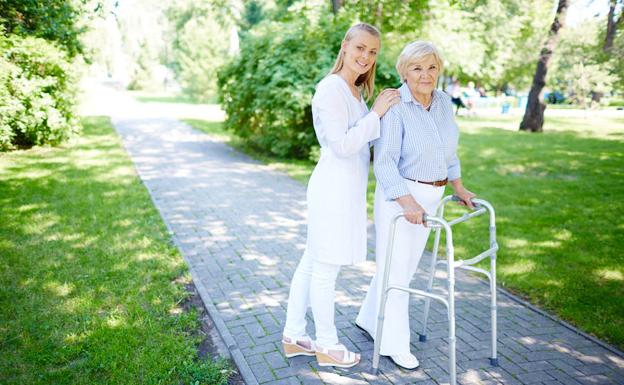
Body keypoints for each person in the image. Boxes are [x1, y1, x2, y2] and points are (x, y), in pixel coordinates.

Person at [282, 23, 400, 368]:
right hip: (332, 190)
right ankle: (327, 345)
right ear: (346, 46)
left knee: (311, 262)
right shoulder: (331, 88)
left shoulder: (355, 91)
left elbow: (364, 143)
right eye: (360, 48)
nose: (365, 56)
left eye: (373, 51)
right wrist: (377, 113)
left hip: (344, 191)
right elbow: (343, 145)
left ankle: (293, 334)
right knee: (325, 268)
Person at [356, 41, 475, 370]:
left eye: (432, 67)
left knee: (402, 268)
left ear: (439, 70)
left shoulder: (443, 103)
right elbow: (384, 162)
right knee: (398, 272)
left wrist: (459, 187)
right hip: (400, 198)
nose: (425, 75)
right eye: (417, 68)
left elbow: (447, 152)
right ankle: (394, 344)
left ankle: (369, 318)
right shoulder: (396, 105)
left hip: (431, 197)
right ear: (404, 72)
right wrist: (407, 202)